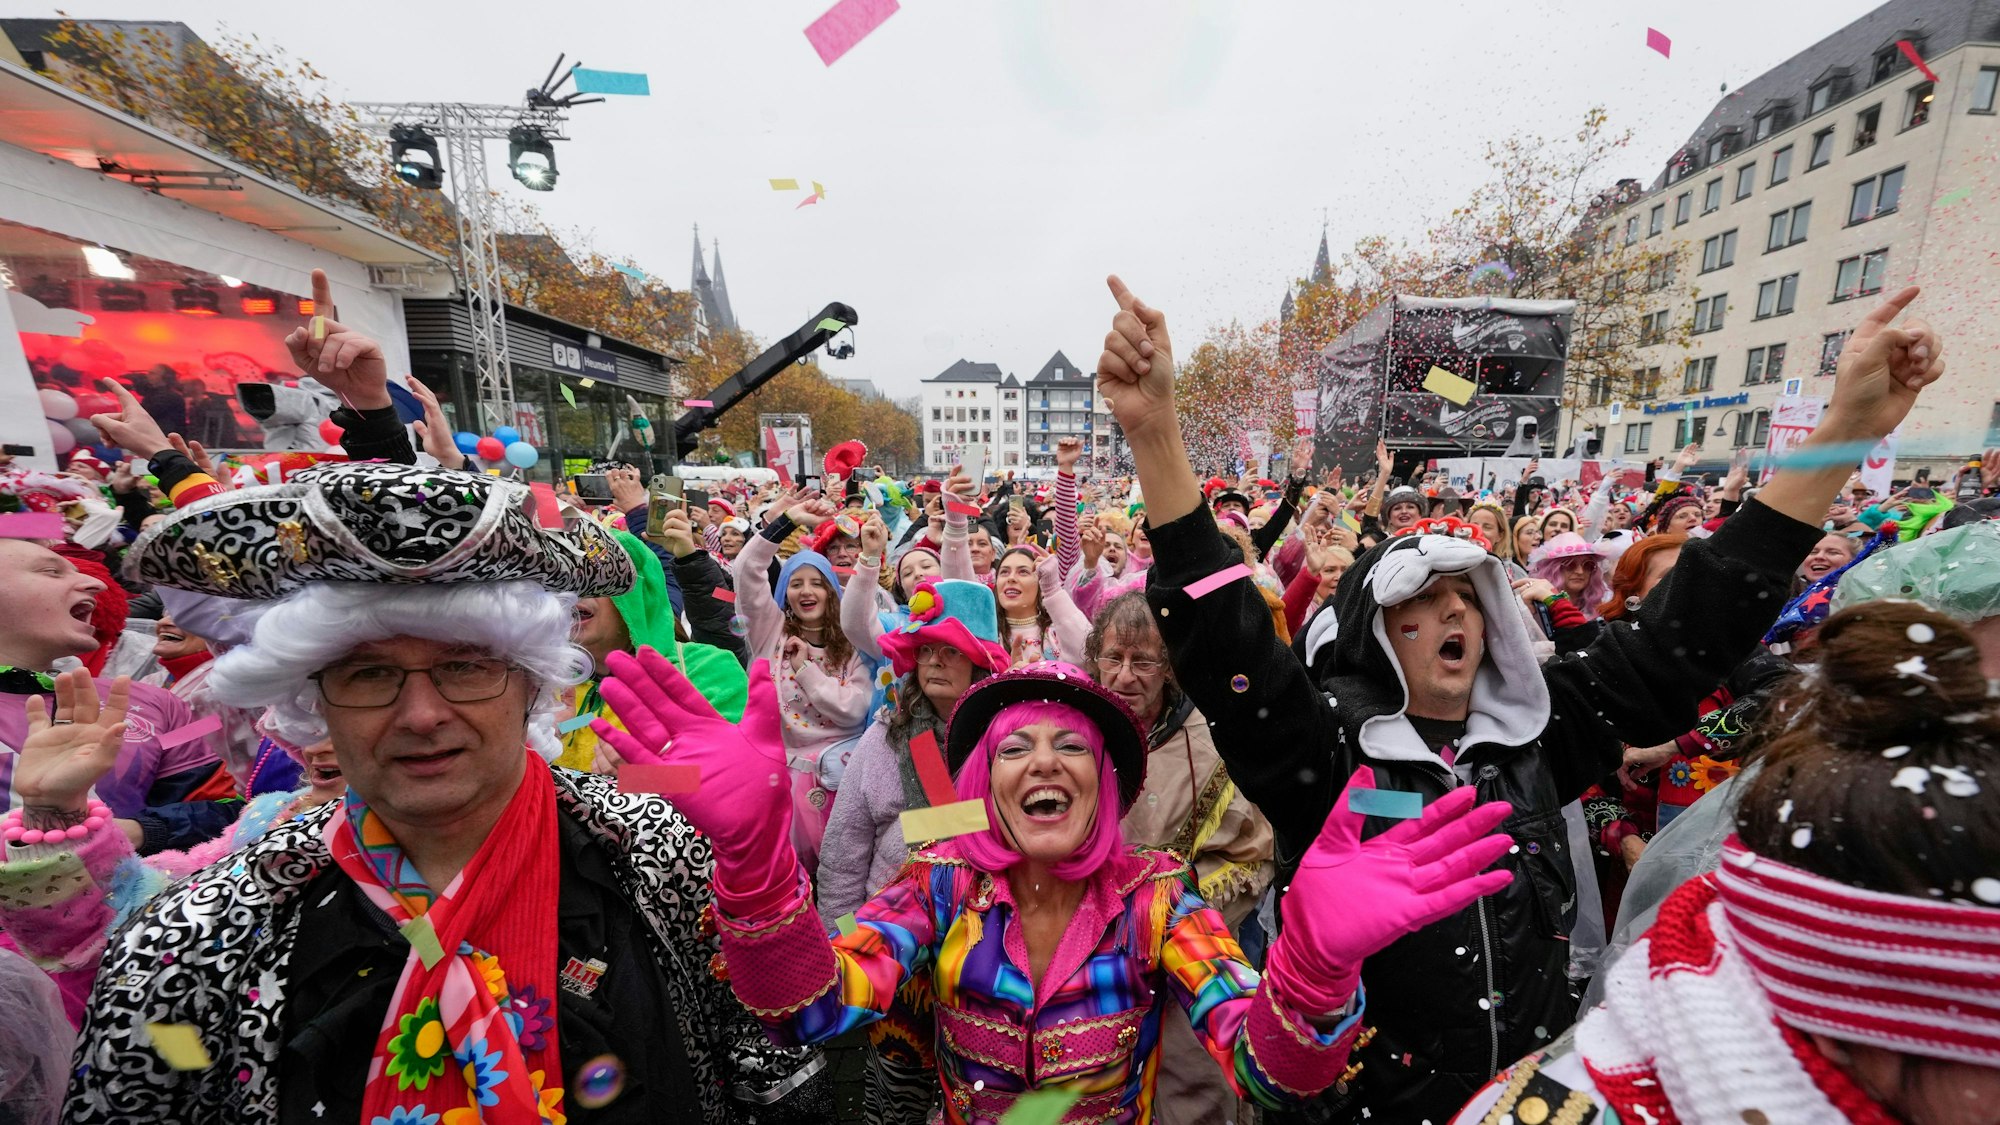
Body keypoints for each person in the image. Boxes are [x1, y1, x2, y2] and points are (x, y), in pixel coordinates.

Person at [1094, 273, 1943, 1122]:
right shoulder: (1327, 755)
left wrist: (1844, 434)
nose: (1455, 608)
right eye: (1422, 598)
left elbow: (1692, 628)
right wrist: (1156, 436)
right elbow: (1227, 645)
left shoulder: (1543, 737)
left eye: (1470, 592)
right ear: (1375, 635)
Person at [63, 274, 829, 1124]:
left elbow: (783, 1064)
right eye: (370, 674)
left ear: (532, 680)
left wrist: (762, 879)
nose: (422, 713)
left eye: (465, 667)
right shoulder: (196, 944)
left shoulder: (653, 854)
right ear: (313, 696)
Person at [589, 655, 1517, 1123]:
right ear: (985, 783)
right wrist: (756, 868)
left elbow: (1268, 1076)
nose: (1045, 761)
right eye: (1016, 748)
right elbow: (811, 1011)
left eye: (1071, 744)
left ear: (1108, 784)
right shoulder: (939, 884)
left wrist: (1313, 967)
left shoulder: (1157, 898)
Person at [1457, 600, 2000, 1125]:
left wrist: (1680, 745)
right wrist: (1620, 835)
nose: (1688, 605)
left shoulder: (1751, 671)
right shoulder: (1611, 673)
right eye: (1664, 588)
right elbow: (1590, 777)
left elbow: (1776, 698)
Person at [814, 577, 1010, 1123]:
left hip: (987, 945)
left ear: (980, 661)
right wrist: (845, 935)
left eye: (952, 651)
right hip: (898, 946)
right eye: (926, 649)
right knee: (897, 1086)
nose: (936, 662)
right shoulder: (890, 734)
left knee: (977, 1085)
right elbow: (846, 846)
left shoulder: (1012, 737)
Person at [1089, 592, 1278, 1125]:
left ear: (1169, 667)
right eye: (1113, 658)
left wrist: (1170, 918)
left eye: (1143, 661)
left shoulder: (1211, 741)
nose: (1125, 676)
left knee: (1194, 1094)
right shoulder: (1076, 731)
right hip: (1093, 965)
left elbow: (1250, 856)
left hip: (1186, 957)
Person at [0, 539, 240, 854]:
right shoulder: (152, 682)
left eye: (184, 615)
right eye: (51, 572)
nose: (96, 583)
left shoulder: (159, 701)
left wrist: (140, 831)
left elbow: (225, 808)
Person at [733, 491, 874, 872]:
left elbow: (854, 710)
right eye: (796, 583)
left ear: (832, 591)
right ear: (784, 593)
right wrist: (786, 521)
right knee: (788, 878)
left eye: (817, 582)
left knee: (841, 878)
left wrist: (807, 671)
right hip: (777, 784)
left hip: (840, 785)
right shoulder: (771, 632)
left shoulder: (851, 643)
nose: (807, 591)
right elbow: (746, 572)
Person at [557, 528, 747, 771]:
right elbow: (587, 721)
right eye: (566, 580)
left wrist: (638, 778)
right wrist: (539, 744)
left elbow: (735, 783)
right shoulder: (554, 685)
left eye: (593, 579)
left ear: (634, 596)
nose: (573, 594)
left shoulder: (708, 671)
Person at [992, 547, 1090, 666]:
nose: (1011, 578)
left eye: (1023, 572)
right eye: (1004, 572)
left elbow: (1087, 654)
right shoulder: (987, 635)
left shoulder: (1056, 632)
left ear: (1040, 583)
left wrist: (1052, 589)